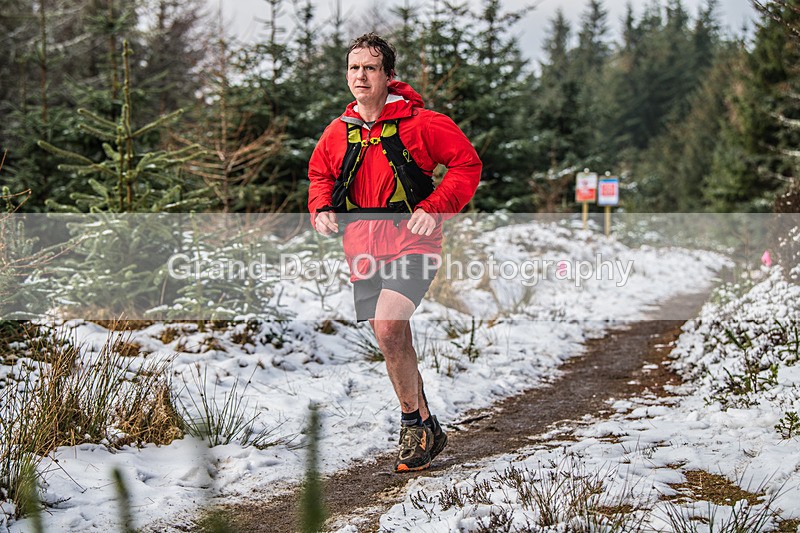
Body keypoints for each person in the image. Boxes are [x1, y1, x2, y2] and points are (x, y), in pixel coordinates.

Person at [308, 33, 481, 472]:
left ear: (388, 75)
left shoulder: (423, 124)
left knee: (388, 329)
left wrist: (435, 206)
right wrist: (320, 207)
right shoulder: (338, 130)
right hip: (361, 248)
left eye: (370, 68)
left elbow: (467, 164)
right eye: (353, 68)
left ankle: (409, 424)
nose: (360, 76)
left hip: (413, 241)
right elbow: (319, 175)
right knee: (393, 340)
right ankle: (426, 426)